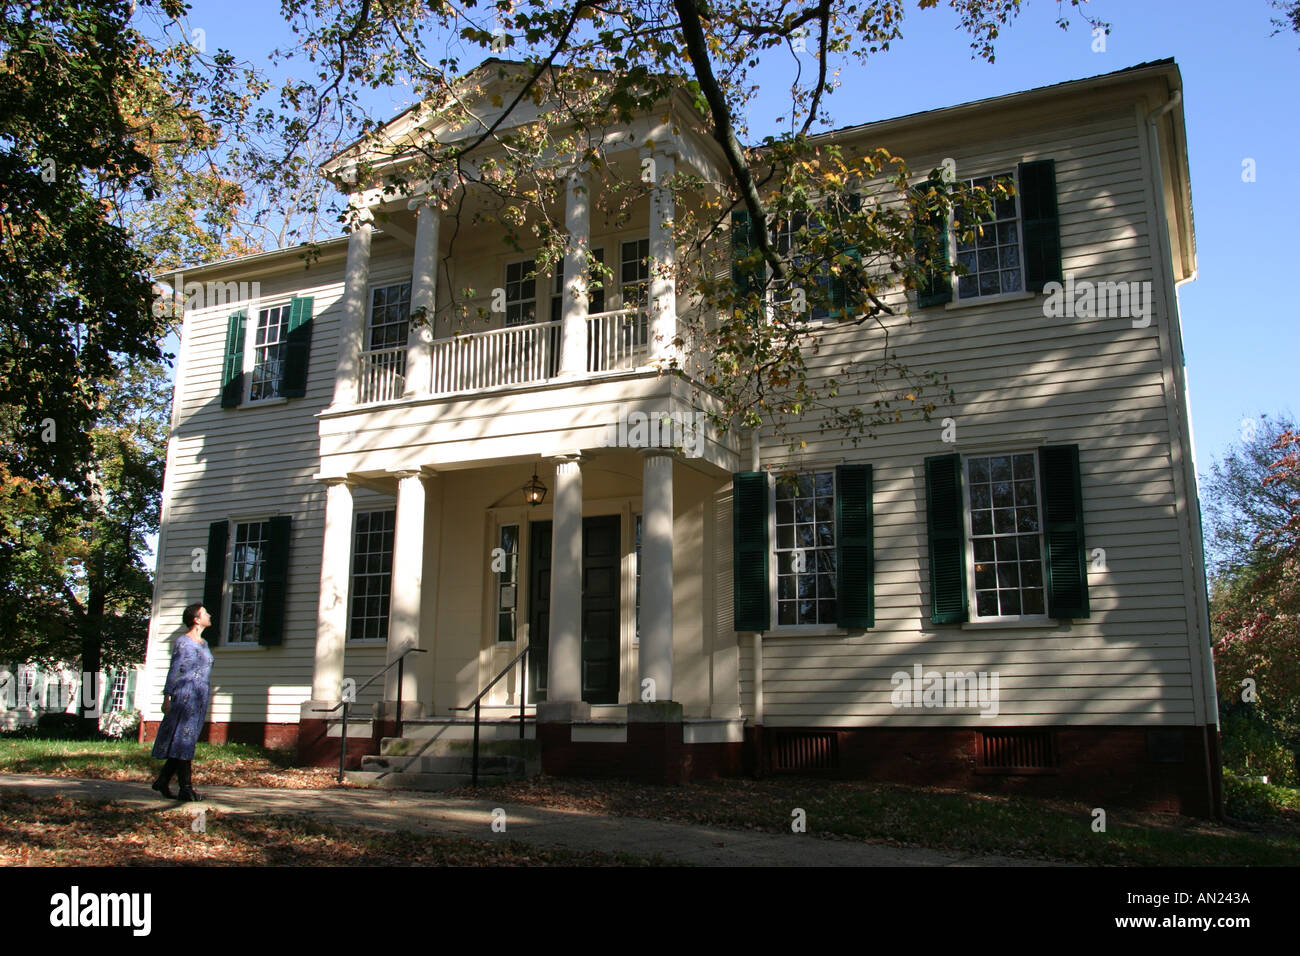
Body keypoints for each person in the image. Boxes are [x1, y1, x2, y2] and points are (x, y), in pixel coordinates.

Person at [150, 602, 214, 802]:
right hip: (185, 695)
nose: (209, 615)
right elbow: (174, 668)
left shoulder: (204, 643)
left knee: (185, 741)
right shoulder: (183, 642)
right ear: (196, 619)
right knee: (183, 741)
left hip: (200, 696)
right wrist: (167, 697)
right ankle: (186, 787)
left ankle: (163, 780)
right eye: (205, 613)